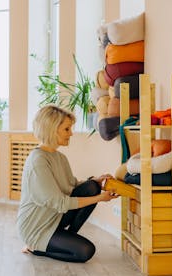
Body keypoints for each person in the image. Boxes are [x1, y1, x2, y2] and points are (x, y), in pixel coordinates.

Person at [17, 104, 119, 263]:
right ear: (52, 129)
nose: (71, 133)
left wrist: (96, 181)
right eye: (66, 129)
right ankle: (36, 248)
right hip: (37, 228)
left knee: (92, 186)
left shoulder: (59, 157)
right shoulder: (38, 161)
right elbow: (59, 202)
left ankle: (69, 238)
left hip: (55, 218)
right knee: (85, 252)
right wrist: (100, 198)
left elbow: (72, 186)